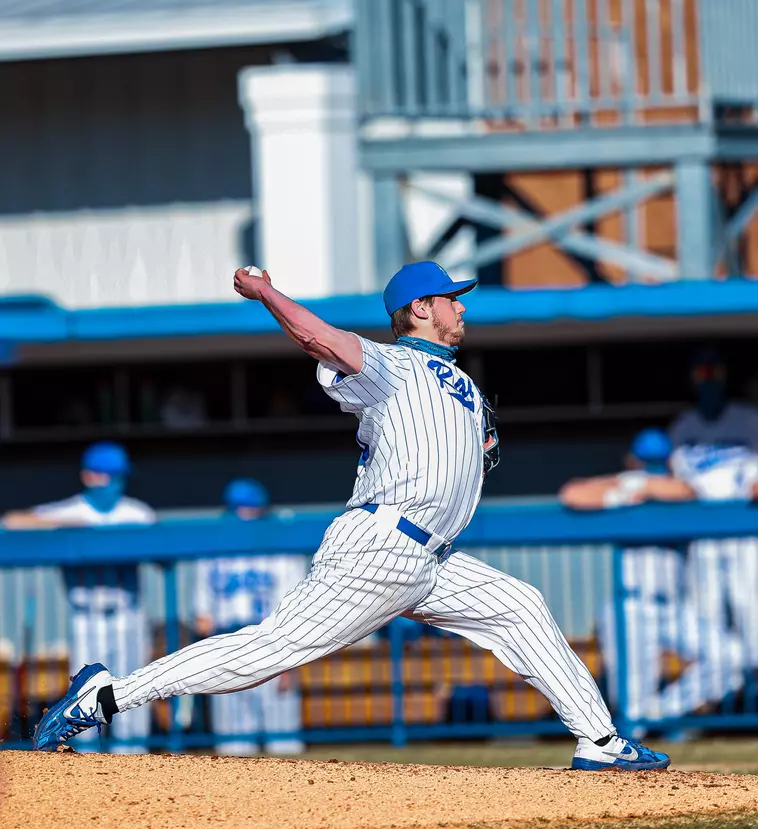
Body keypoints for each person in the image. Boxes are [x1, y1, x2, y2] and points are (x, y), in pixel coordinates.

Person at [34, 261, 670, 770]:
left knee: (520, 605)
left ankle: (601, 740)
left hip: (431, 557)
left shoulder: (462, 383)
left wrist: (479, 443)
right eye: (452, 298)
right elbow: (319, 339)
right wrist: (266, 293)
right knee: (273, 649)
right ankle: (106, 696)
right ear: (420, 309)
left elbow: (461, 450)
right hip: (381, 547)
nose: (462, 306)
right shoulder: (390, 367)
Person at [560, 430, 742, 729]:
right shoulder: (625, 489)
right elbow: (572, 494)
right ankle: (641, 733)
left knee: (730, 656)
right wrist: (625, 488)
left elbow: (686, 491)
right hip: (628, 606)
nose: (651, 467)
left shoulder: (679, 490)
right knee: (631, 710)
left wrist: (643, 486)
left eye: (657, 462)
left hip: (672, 608)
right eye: (646, 462)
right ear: (633, 461)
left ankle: (660, 712)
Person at [3, 442, 156, 753]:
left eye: (117, 476)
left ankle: (137, 762)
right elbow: (11, 521)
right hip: (86, 615)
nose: (112, 482)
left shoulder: (136, 512)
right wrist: (67, 525)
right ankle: (82, 764)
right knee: (84, 695)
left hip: (127, 614)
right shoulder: (72, 509)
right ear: (87, 476)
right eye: (105, 475)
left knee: (134, 693)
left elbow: (164, 548)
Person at [194, 479, 307, 756]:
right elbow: (201, 616)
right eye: (240, 509)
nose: (246, 515)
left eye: (252, 510)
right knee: (233, 746)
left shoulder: (281, 551)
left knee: (284, 743)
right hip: (227, 643)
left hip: (271, 642)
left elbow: (295, 609)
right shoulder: (212, 551)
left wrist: (289, 661)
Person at [669, 347, 758, 451]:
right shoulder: (682, 426)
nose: (709, 379)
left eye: (715, 372)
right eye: (702, 373)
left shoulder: (750, 420)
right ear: (692, 379)